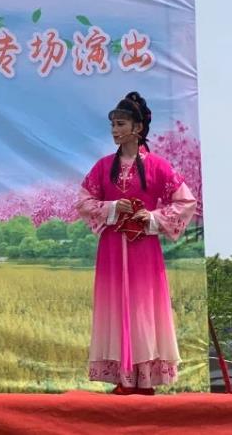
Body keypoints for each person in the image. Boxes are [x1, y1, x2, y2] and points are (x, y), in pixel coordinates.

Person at [74, 91, 196, 395]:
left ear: (137, 128)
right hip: (113, 249)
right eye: (113, 125)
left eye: (121, 124)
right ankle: (122, 378)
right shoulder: (103, 167)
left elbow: (186, 202)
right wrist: (113, 208)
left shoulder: (158, 167)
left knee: (144, 309)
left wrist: (151, 218)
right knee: (116, 307)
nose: (115, 130)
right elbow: (84, 202)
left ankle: (146, 379)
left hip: (144, 250)